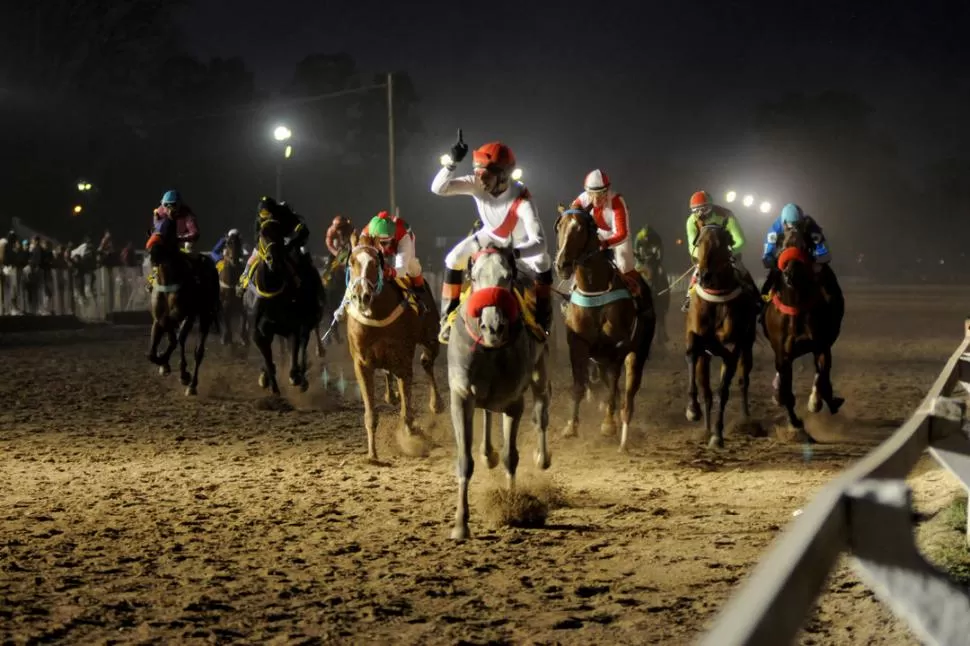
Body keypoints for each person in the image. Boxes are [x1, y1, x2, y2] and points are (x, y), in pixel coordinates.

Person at [431, 131, 553, 342]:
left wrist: (514, 253)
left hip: (519, 244)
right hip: (489, 235)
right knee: (452, 259)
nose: (479, 179)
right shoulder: (477, 182)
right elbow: (437, 189)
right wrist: (451, 163)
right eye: (477, 173)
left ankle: (542, 323)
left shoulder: (522, 198)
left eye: (485, 175)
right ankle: (447, 320)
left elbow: (540, 244)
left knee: (543, 261)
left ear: (503, 175)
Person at [569, 169, 650, 310]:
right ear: (587, 192)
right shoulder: (582, 199)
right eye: (591, 195)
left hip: (618, 238)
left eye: (600, 194)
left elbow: (622, 233)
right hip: (599, 234)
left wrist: (605, 244)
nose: (595, 200)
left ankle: (641, 300)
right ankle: (571, 294)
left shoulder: (617, 201)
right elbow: (572, 216)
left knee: (625, 265)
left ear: (607, 190)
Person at [682, 190, 756, 312]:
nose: (700, 214)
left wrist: (729, 252)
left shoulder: (726, 215)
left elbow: (741, 240)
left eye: (703, 209)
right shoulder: (691, 221)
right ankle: (689, 298)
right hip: (706, 255)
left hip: (727, 254)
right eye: (696, 211)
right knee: (697, 272)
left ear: (711, 206)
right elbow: (692, 246)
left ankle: (755, 296)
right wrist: (702, 256)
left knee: (741, 269)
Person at [356, 210, 435, 312]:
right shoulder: (365, 234)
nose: (383, 249)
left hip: (401, 241)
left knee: (412, 266)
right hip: (379, 243)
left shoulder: (403, 237)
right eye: (379, 242)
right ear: (372, 238)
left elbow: (402, 270)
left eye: (385, 243)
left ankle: (421, 295)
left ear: (392, 238)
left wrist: (390, 271)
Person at [761, 202, 840, 301]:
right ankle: (763, 303)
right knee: (772, 277)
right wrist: (774, 262)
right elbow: (766, 258)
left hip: (807, 257)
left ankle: (832, 301)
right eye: (789, 228)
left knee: (823, 271)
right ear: (783, 224)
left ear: (802, 223)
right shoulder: (775, 229)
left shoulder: (811, 227)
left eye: (797, 226)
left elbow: (826, 255)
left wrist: (811, 260)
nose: (793, 231)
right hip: (784, 259)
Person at [240, 197, 312, 291]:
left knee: (295, 256)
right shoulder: (259, 219)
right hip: (270, 240)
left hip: (287, 237)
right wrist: (262, 245)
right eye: (263, 215)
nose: (265, 217)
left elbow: (302, 230)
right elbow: (256, 237)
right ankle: (244, 276)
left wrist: (291, 242)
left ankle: (300, 282)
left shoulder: (285, 214)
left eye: (268, 214)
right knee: (255, 253)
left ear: (275, 212)